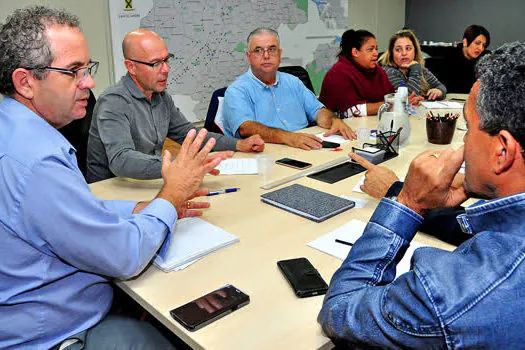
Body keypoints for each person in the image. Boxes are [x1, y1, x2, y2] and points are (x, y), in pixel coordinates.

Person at [0, 6, 230, 349]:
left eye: (87, 69)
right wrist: (171, 195)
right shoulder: (38, 161)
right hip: (58, 332)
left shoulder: (15, 128)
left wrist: (140, 208)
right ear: (25, 82)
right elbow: (126, 256)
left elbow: (72, 209)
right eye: (74, 71)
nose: (89, 83)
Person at [319, 41, 525, 348]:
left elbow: (340, 310)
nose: (464, 144)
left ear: (502, 151)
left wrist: (407, 202)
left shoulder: (455, 297)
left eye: (468, 129)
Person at [87, 29, 264, 183]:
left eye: (166, 60)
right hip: (113, 192)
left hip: (147, 182)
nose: (166, 69)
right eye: (156, 63)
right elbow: (121, 160)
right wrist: (180, 167)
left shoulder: (161, 97)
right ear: (131, 67)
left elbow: (190, 136)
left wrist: (239, 144)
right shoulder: (113, 101)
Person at [222, 27, 355, 150]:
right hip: (268, 154)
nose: (266, 56)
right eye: (258, 50)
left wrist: (334, 121)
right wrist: (288, 137)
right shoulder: (237, 90)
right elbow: (246, 127)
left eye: (272, 49)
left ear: (279, 54)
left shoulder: (293, 82)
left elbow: (318, 111)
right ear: (249, 57)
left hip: (305, 147)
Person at [319, 29, 395, 117]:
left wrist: (402, 99)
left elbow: (391, 95)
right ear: (355, 52)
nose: (376, 53)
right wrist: (391, 104)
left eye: (376, 49)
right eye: (370, 50)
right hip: (341, 126)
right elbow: (351, 111)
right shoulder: (338, 73)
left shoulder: (378, 71)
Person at [379, 29, 446, 104]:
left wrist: (439, 91)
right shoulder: (387, 72)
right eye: (398, 50)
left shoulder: (420, 69)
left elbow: (440, 86)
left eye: (408, 48)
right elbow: (407, 98)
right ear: (392, 53)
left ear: (415, 50)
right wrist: (415, 70)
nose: (404, 53)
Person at [441, 24, 491, 93]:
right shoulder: (451, 56)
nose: (480, 48)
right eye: (477, 43)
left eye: (483, 45)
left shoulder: (486, 58)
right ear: (465, 42)